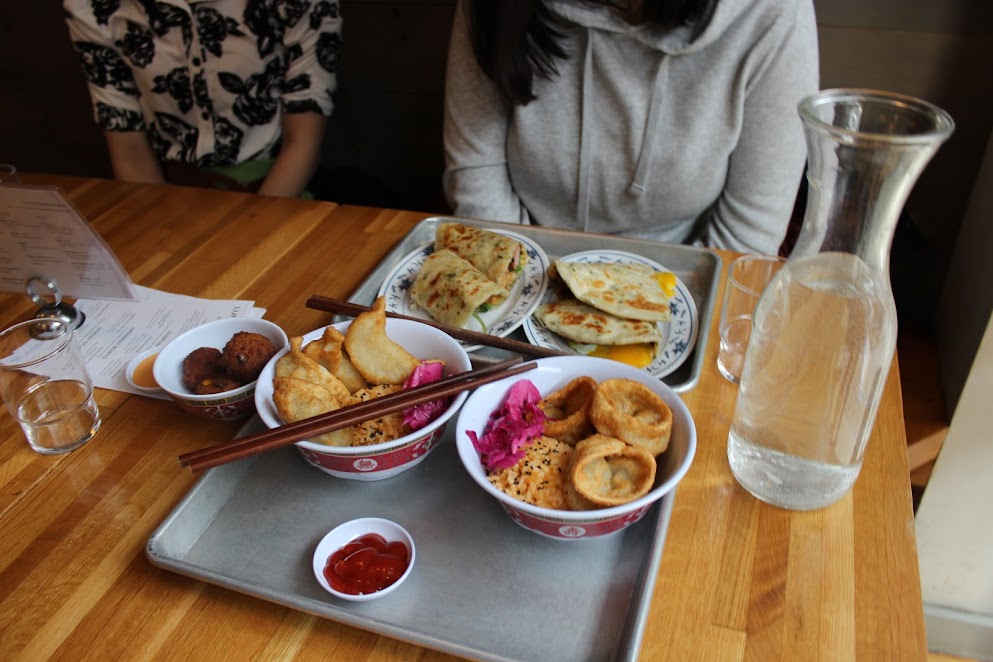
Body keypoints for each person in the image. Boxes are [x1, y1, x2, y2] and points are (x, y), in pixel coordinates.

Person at [442, 0, 818, 255]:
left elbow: (750, 233)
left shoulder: (773, 12)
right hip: (518, 255)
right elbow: (476, 171)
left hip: (688, 278)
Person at [63, 0, 342, 198]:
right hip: (164, 194)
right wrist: (160, 228)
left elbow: (303, 142)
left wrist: (253, 230)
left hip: (279, 193)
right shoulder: (92, 6)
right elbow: (129, 150)